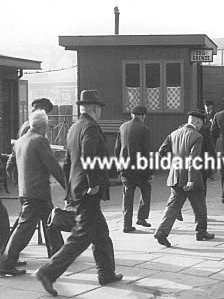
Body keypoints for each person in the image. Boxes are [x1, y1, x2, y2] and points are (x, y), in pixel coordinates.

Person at [35, 90, 122, 296]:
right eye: (99, 108)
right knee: (81, 236)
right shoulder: (91, 127)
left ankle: (106, 272)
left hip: (77, 187)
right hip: (88, 189)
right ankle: (48, 272)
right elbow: (87, 154)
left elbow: (67, 161)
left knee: (101, 234)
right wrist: (93, 183)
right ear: (95, 108)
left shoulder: (74, 127)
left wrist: (69, 190)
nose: (100, 111)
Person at [0, 110, 65, 276]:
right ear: (43, 126)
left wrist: (20, 182)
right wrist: (69, 187)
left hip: (27, 192)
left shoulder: (20, 141)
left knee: (51, 221)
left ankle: (58, 255)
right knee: (25, 228)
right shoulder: (40, 140)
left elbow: (10, 166)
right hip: (38, 192)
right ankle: (6, 262)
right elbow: (53, 166)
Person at [155, 110, 215, 247]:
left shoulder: (173, 134)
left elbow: (161, 151)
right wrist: (191, 180)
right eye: (201, 123)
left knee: (173, 206)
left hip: (176, 176)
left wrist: (174, 162)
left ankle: (161, 232)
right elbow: (193, 159)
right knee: (199, 205)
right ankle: (201, 232)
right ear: (198, 122)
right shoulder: (197, 136)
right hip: (191, 177)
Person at [114, 105, 153, 233]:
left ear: (132, 115)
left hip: (125, 168)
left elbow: (117, 149)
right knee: (146, 190)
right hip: (139, 169)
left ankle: (126, 224)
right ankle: (141, 217)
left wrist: (119, 165)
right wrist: (149, 172)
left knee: (127, 196)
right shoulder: (145, 129)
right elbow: (146, 152)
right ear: (143, 116)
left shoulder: (123, 127)